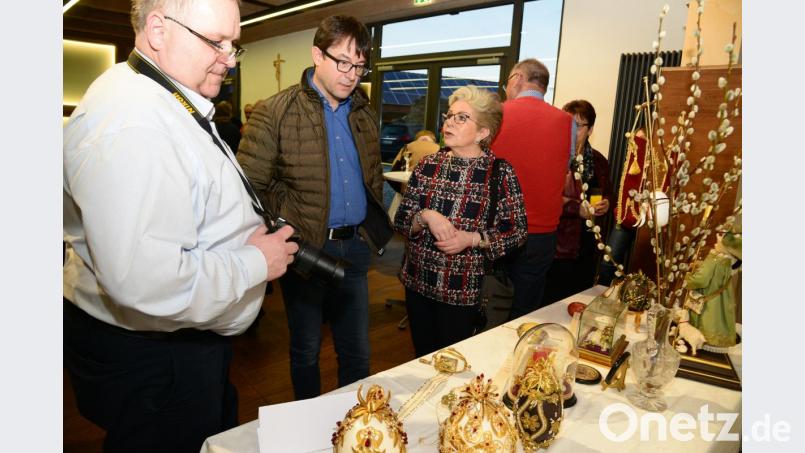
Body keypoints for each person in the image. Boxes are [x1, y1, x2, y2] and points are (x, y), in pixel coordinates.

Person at [63, 1, 299, 451]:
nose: (229, 59)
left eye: (234, 45)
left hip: (171, 345)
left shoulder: (155, 95)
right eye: (215, 42)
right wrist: (253, 263)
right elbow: (144, 278)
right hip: (157, 356)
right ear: (158, 29)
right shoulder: (134, 123)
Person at [238, 15, 393, 399]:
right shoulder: (276, 112)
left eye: (359, 65)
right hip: (306, 250)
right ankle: (306, 426)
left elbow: (371, 178)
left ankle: (355, 428)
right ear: (316, 55)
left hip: (354, 248)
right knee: (306, 350)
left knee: (358, 352)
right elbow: (248, 188)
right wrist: (285, 226)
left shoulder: (363, 113)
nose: (351, 73)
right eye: (342, 61)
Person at [393, 85, 527, 357]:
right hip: (418, 283)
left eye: (461, 117)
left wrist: (472, 239)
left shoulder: (500, 173)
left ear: (483, 132)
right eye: (449, 115)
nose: (449, 122)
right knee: (422, 359)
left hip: (465, 293)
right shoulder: (428, 165)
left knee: (457, 365)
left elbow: (517, 231)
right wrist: (425, 216)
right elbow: (401, 219)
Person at [491, 58, 576, 319]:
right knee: (525, 311)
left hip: (497, 227)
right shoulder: (568, 122)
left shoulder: (497, 116)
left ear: (517, 79)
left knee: (489, 302)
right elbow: (565, 168)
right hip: (542, 234)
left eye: (508, 82)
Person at [544, 100, 612, 303]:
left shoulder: (598, 160)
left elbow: (608, 192)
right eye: (568, 124)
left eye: (578, 126)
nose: (572, 131)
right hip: (559, 245)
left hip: (588, 244)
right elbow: (547, 197)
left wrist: (606, 203)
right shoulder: (553, 156)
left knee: (580, 301)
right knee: (551, 303)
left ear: (590, 129)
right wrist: (576, 209)